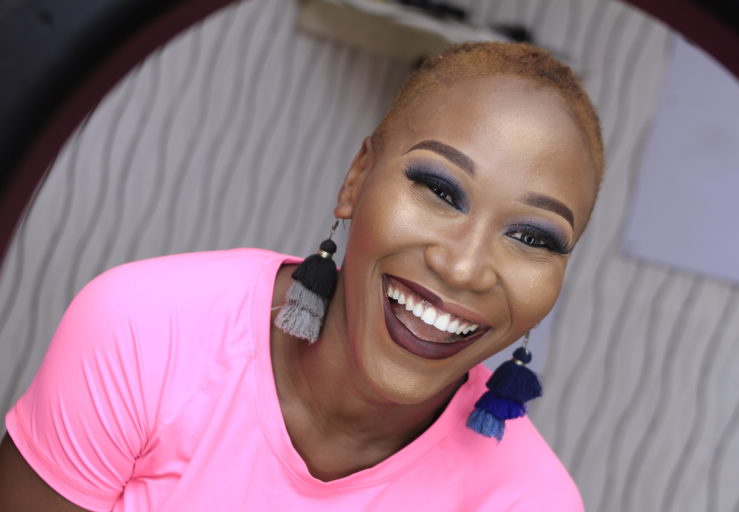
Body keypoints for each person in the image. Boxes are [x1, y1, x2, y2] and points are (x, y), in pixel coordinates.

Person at [0, 41, 602, 511]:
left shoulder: (528, 500)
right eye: (440, 191)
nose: (464, 267)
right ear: (356, 179)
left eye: (533, 238)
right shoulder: (144, 331)